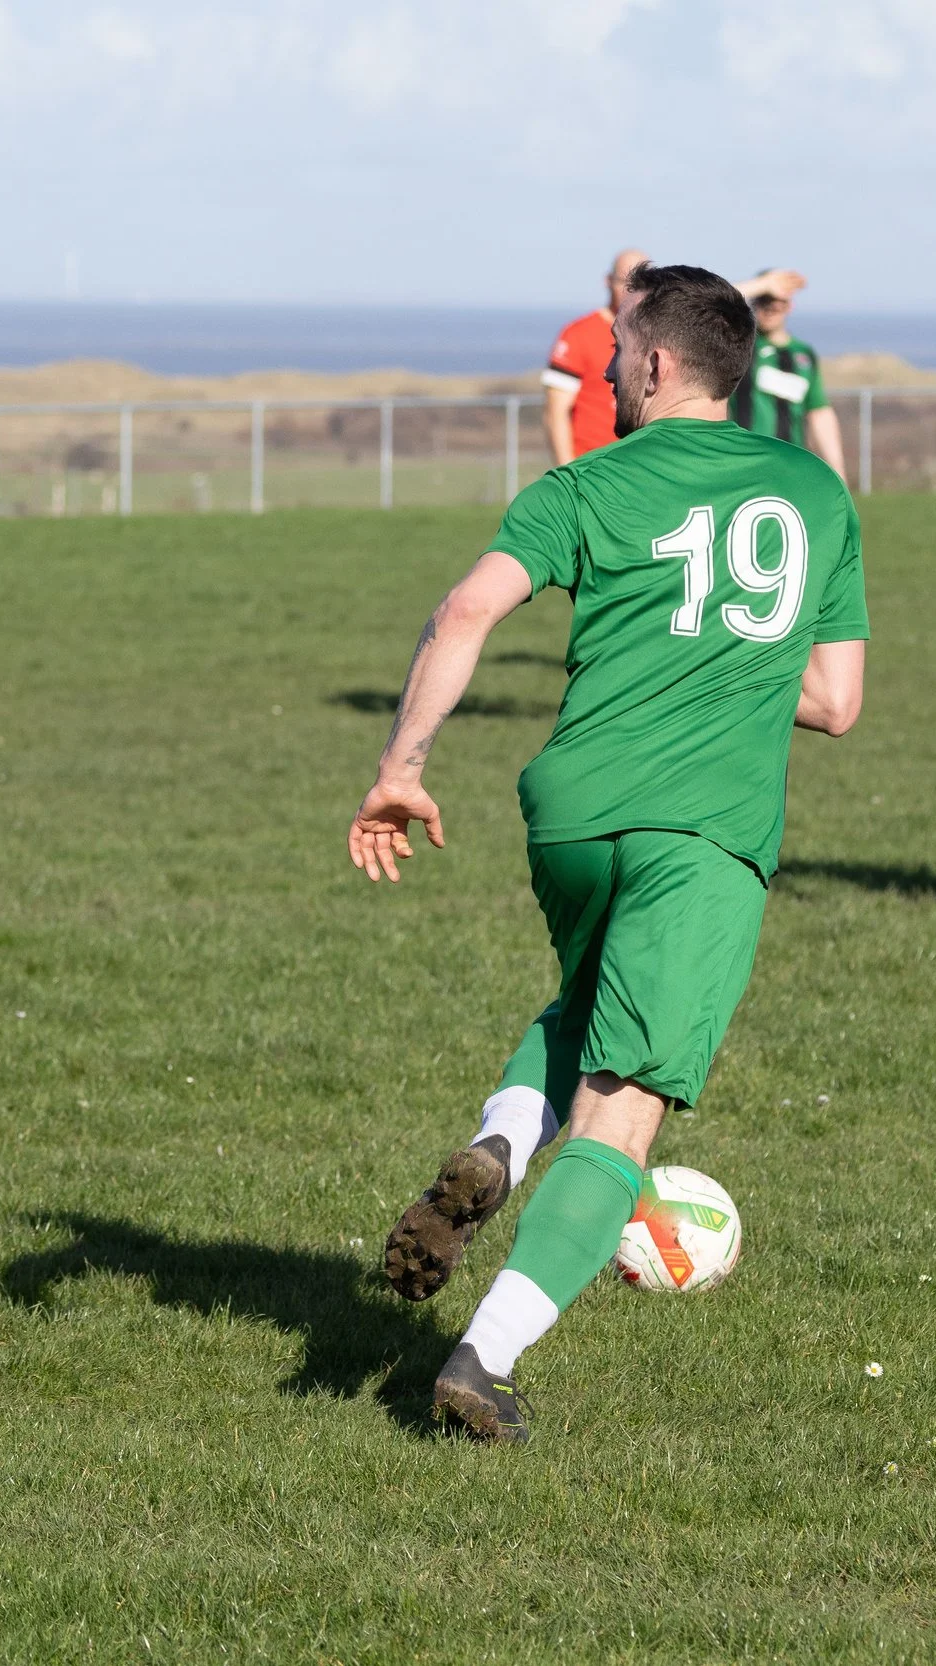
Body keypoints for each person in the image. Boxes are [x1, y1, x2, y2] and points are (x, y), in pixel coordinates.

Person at [349, 262, 869, 1443]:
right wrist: (728, 677)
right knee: (623, 1110)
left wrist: (402, 769)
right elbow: (836, 701)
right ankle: (482, 1359)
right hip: (703, 829)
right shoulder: (818, 493)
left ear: (654, 364)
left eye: (616, 352)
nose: (602, 370)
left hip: (573, 813)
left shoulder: (582, 482)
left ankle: (496, 1139)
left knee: (588, 1006)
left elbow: (466, 609)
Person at [733, 269, 848, 479]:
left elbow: (819, 412)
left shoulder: (803, 354)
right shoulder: (738, 344)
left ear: (789, 305)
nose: (769, 309)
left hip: (788, 466)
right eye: (763, 300)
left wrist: (838, 472)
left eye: (775, 301)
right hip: (742, 461)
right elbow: (707, 306)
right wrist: (761, 284)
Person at [541, 249, 650, 465]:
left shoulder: (660, 335)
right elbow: (555, 414)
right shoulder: (578, 335)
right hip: (592, 468)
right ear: (608, 281)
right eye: (624, 281)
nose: (632, 290)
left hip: (643, 468)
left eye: (642, 282)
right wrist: (569, 477)